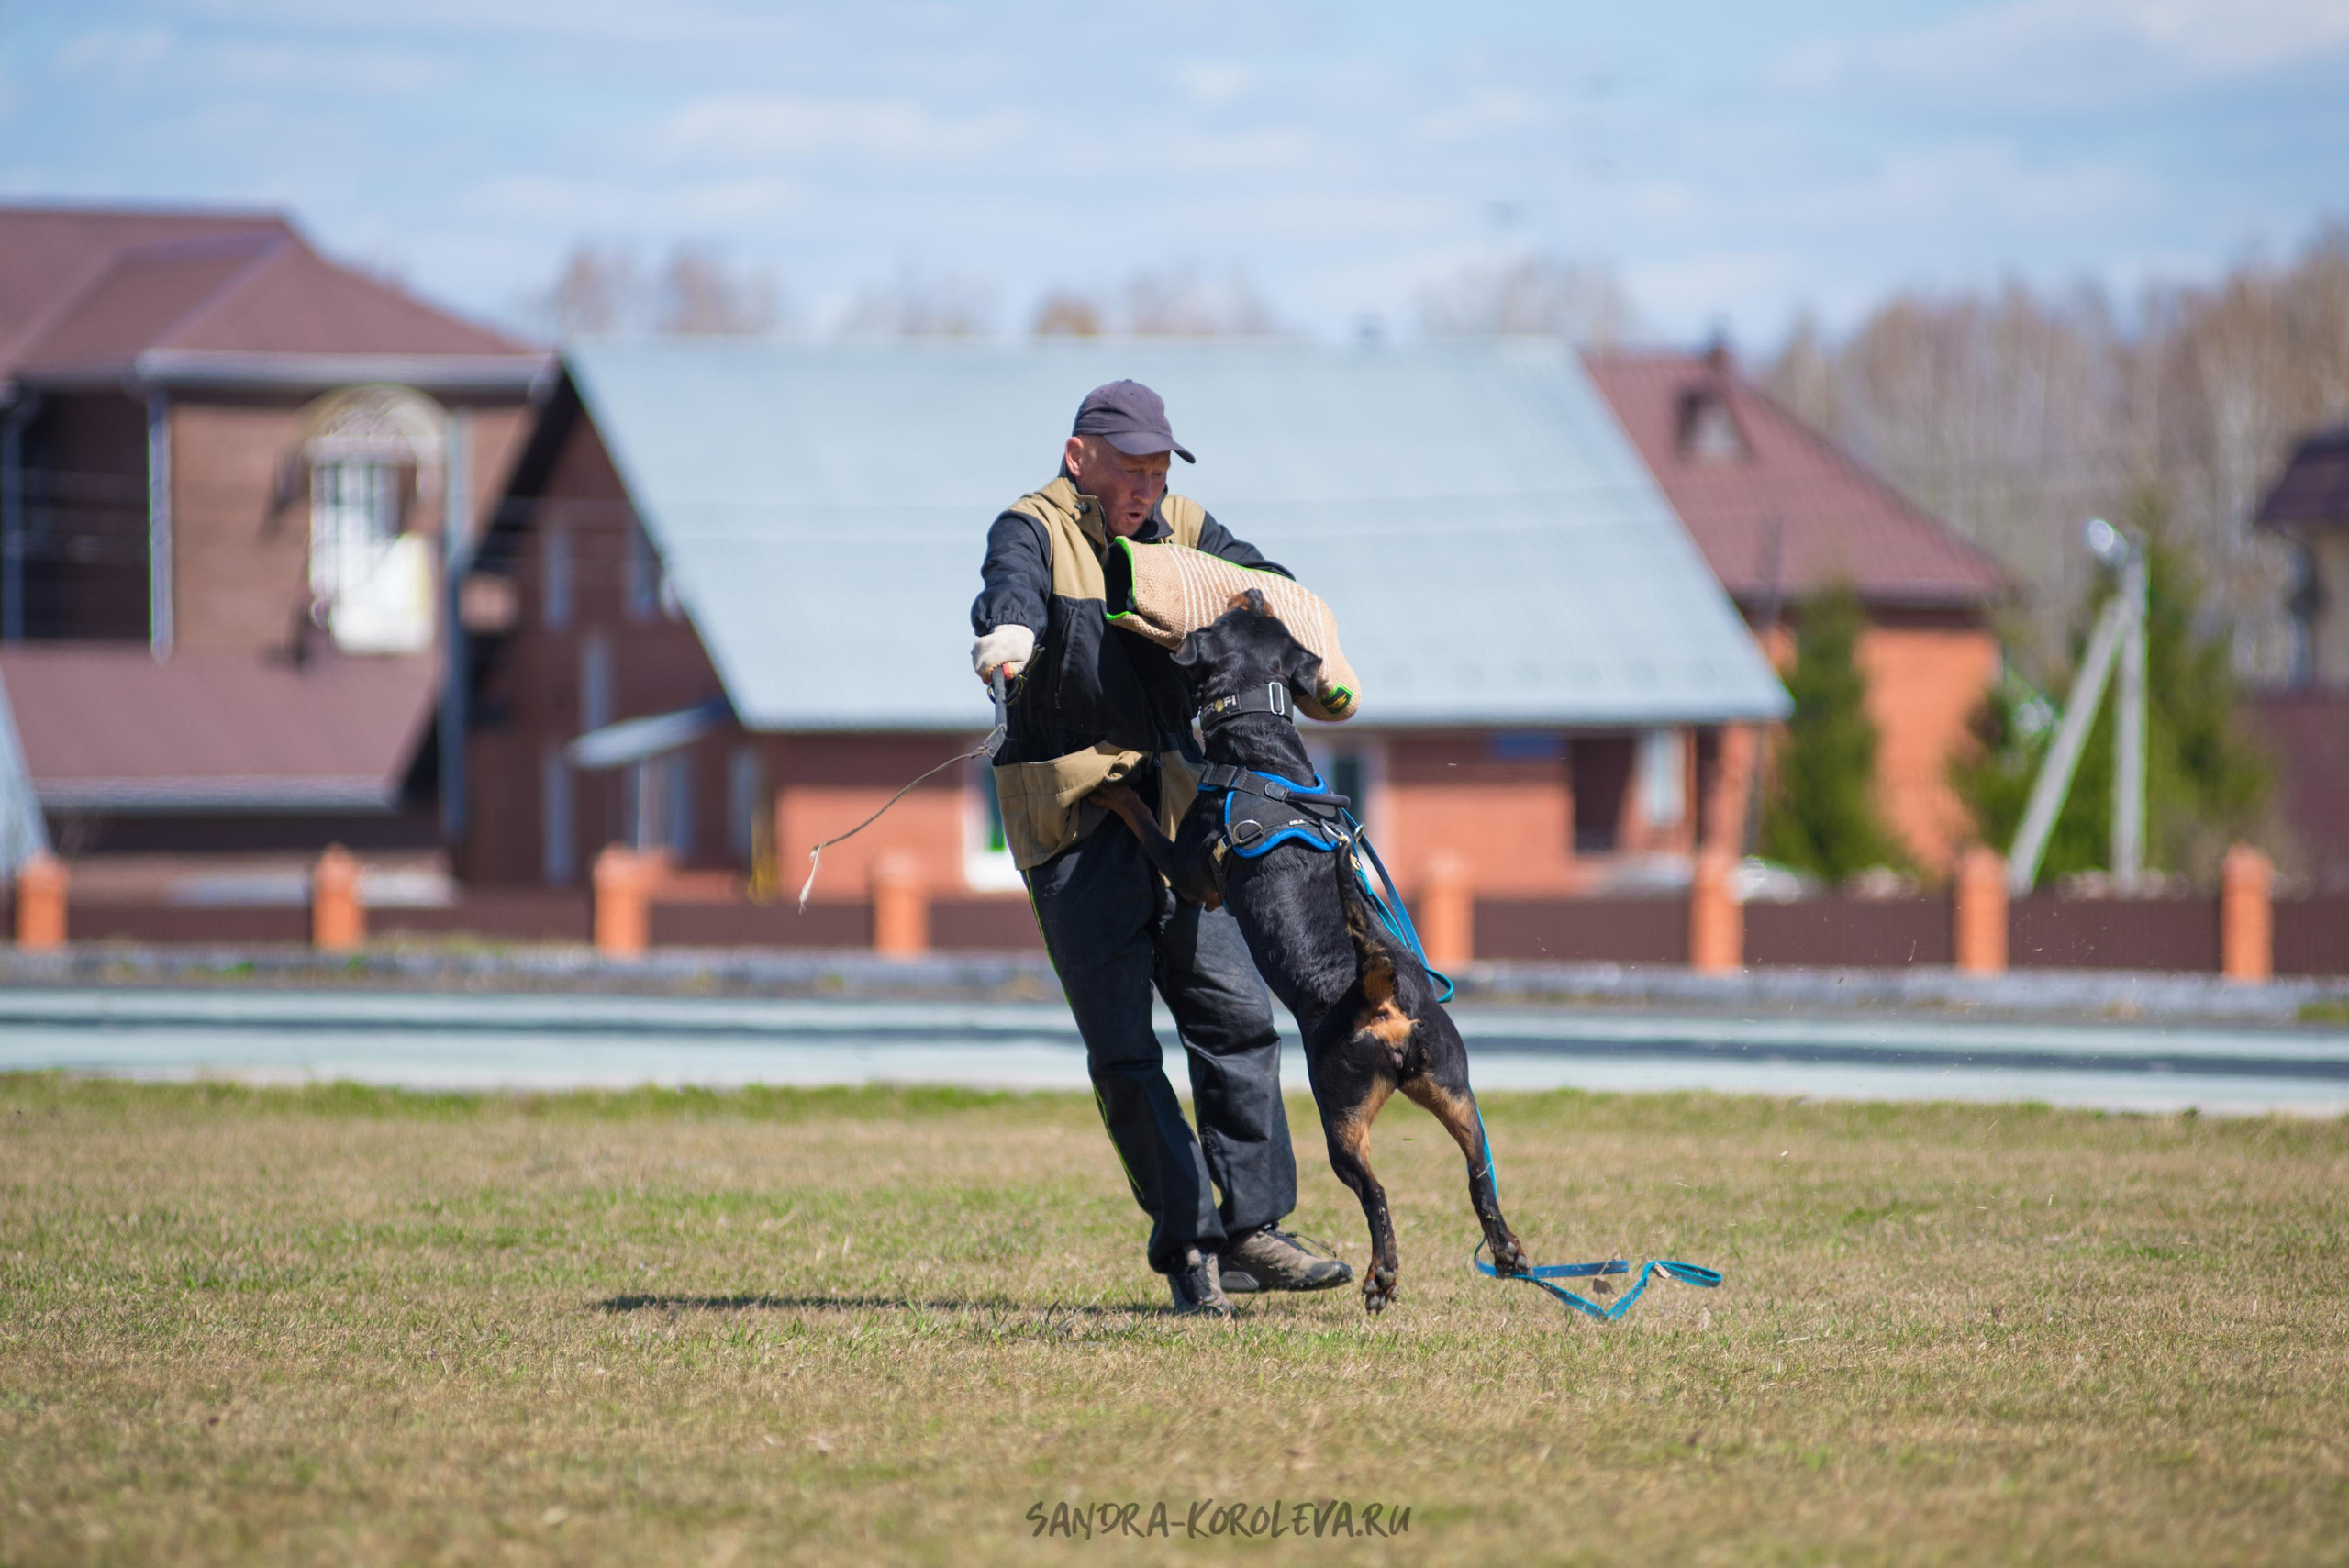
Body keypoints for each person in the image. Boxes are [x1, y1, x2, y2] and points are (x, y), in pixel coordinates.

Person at [970, 380, 1352, 1317]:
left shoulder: (1186, 524)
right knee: (1124, 1050)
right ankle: (1189, 1244)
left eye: (1154, 469)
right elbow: (1006, 589)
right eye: (1129, 469)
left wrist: (1312, 649)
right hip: (1072, 818)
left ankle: (1256, 1227)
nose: (1144, 487)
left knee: (1235, 1017)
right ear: (1078, 459)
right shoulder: (1029, 528)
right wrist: (1008, 634)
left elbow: (1270, 591)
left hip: (1182, 810)